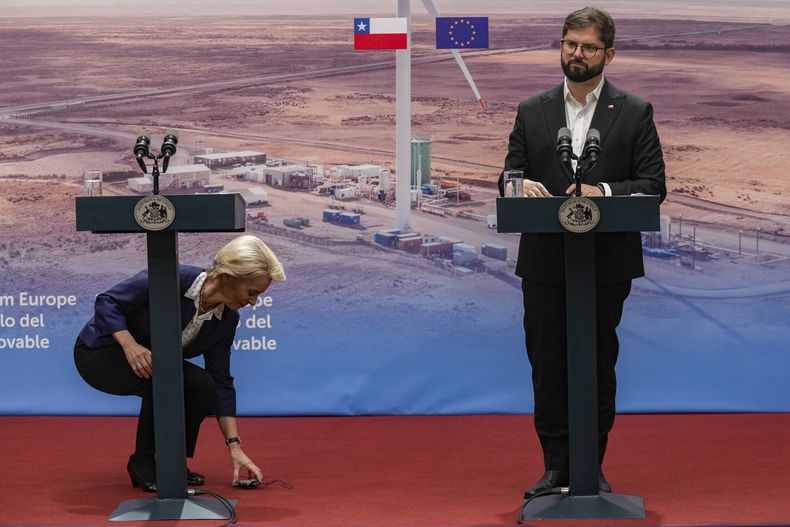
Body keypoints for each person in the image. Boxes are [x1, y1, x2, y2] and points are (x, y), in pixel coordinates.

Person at [500, 7, 666, 498]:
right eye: (570, 43)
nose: (577, 53)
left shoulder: (634, 111)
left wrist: (606, 193)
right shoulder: (533, 110)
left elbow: (653, 184)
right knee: (548, 365)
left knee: (596, 364)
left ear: (608, 54)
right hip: (546, 264)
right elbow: (507, 175)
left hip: (605, 263)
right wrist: (519, 184)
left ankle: (590, 466)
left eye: (589, 47)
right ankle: (556, 468)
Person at [74, 235, 286, 492]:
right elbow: (107, 301)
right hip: (101, 352)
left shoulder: (227, 320)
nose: (253, 302)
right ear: (228, 277)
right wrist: (130, 345)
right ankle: (143, 462)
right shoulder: (171, 277)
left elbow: (220, 381)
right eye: (252, 292)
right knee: (167, 379)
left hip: (154, 366)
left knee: (201, 385)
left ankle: (171, 461)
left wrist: (235, 446)